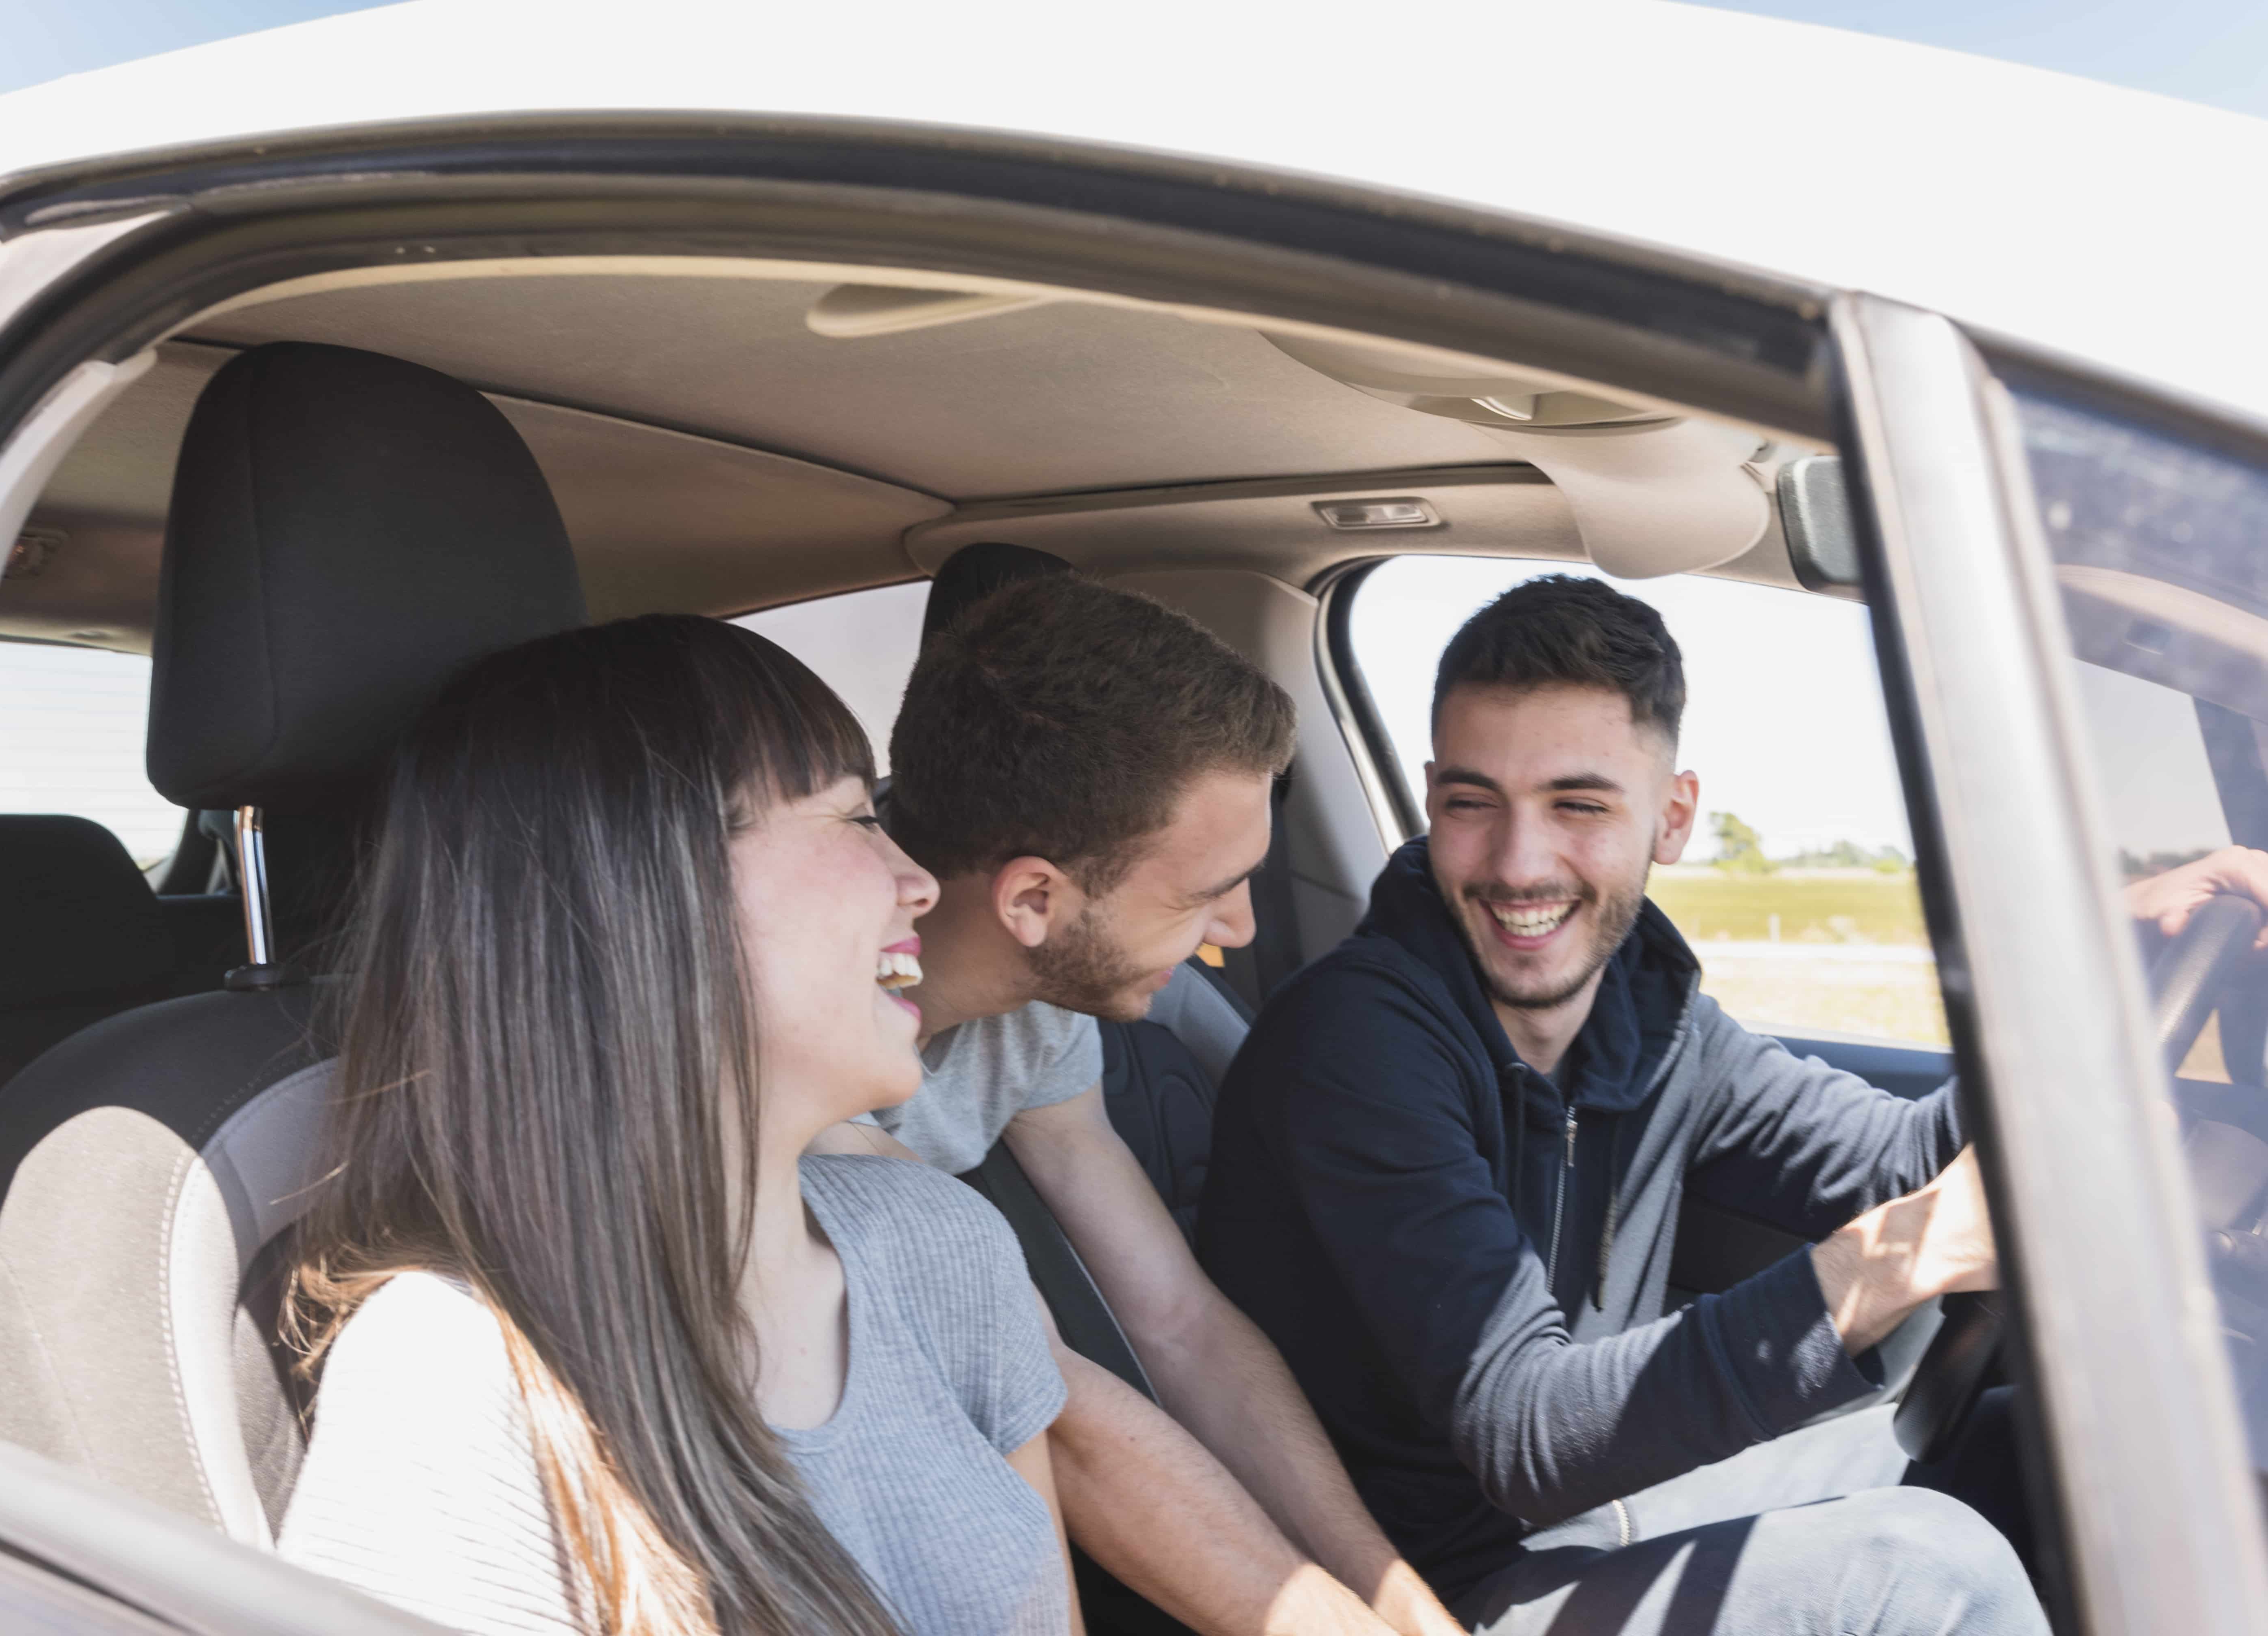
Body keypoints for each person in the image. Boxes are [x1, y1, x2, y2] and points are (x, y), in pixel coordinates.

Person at [1194, 574, 2048, 1635]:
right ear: (1430, 800)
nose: (1519, 864)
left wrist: (2089, 980)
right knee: (1930, 1566)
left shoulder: (1648, 1013)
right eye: (1473, 804)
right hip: (1424, 1586)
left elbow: (1901, 1160)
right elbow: (1525, 1437)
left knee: (2028, 1442)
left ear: (1673, 817)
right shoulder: (1355, 1047)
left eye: (1579, 805)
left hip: (1582, 1516)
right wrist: (1907, 1255)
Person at [276, 615, 1081, 1636]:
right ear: (649, 889)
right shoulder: (458, 1380)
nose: (917, 881)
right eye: (851, 817)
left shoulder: (944, 1245)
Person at [814, 573, 1464, 1636]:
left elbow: (1179, 1321)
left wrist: (1402, 1603)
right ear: (1034, 899)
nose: (1240, 932)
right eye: (1206, 891)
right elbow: (1049, 1399)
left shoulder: (1033, 996)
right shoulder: (810, 1043)